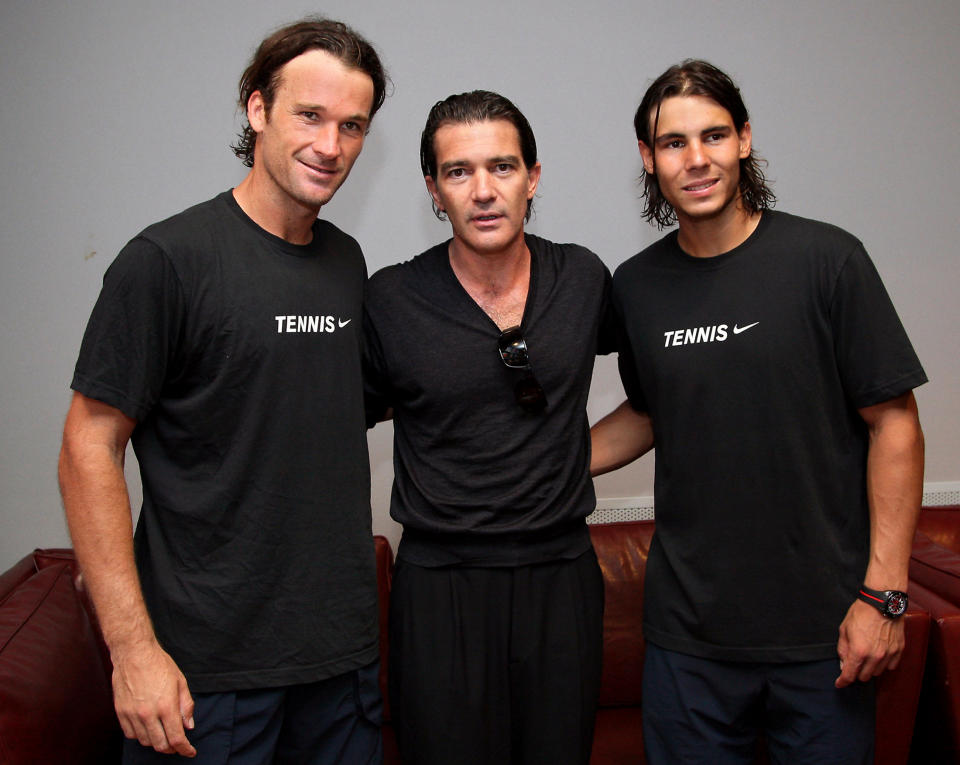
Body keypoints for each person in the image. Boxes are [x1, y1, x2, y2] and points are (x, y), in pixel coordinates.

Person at [57, 18, 388, 764]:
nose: (330, 145)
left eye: (353, 125)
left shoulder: (345, 261)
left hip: (340, 665)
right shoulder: (167, 261)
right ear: (258, 108)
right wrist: (133, 652)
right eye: (310, 115)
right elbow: (88, 446)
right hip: (203, 675)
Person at [591, 59, 926, 764]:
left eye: (714, 135)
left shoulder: (827, 260)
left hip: (827, 631)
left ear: (744, 138)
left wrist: (884, 596)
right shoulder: (637, 286)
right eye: (674, 143)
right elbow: (655, 410)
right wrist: (548, 455)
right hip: (689, 641)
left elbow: (894, 423)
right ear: (648, 159)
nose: (697, 158)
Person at [364, 90, 629, 765]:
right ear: (434, 189)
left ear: (533, 178)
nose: (483, 191)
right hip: (439, 583)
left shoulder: (583, 279)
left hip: (561, 574)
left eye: (503, 167)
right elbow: (336, 419)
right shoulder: (391, 300)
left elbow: (662, 399)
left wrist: (569, 460)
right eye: (459, 172)